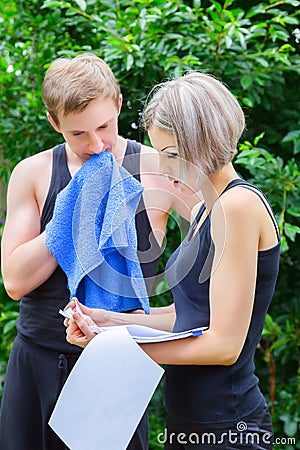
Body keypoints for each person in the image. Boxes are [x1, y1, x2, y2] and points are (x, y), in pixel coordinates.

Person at [66, 72, 281, 449]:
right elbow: (191, 315)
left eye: (171, 156)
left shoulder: (238, 206)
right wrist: (111, 322)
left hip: (228, 426)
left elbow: (223, 345)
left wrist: (116, 346)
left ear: (204, 140)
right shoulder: (202, 209)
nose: (164, 170)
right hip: (187, 418)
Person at [0, 54, 198, 450]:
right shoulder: (34, 173)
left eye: (105, 126)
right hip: (39, 362)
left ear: (120, 104)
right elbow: (15, 282)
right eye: (78, 134)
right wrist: (78, 206)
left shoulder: (158, 168)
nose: (96, 144)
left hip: (117, 362)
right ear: (54, 124)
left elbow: (217, 238)